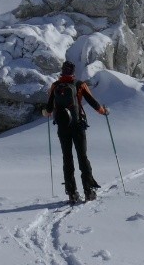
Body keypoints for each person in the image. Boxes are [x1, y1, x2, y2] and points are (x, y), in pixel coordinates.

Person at [44, 61, 110, 204]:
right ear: (73, 71)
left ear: (62, 71)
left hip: (62, 127)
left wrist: (47, 112)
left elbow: (48, 109)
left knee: (67, 158)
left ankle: (72, 193)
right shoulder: (79, 84)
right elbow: (93, 102)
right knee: (82, 157)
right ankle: (88, 191)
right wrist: (104, 111)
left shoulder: (55, 86)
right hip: (77, 125)